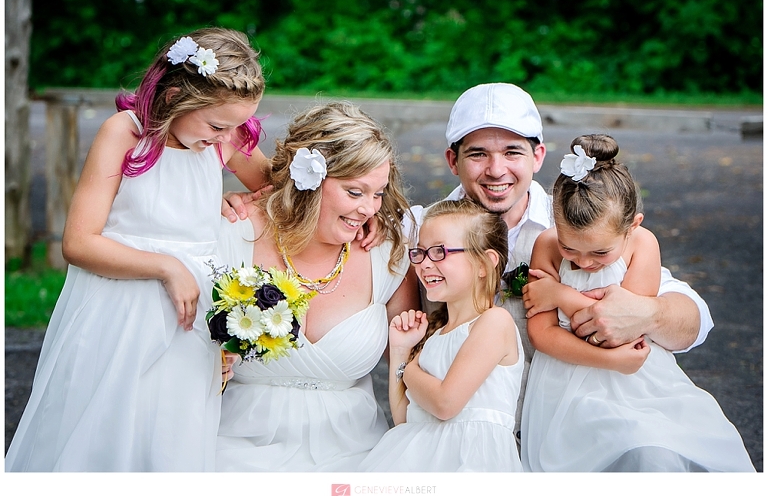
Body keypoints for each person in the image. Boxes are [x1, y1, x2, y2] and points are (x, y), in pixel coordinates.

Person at [222, 82, 714, 447]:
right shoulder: (412, 230)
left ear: (539, 156)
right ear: (451, 159)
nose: (496, 170)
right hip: (455, 431)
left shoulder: (575, 227)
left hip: (562, 418)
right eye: (477, 154)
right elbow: (336, 195)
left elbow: (692, 321)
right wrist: (260, 201)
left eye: (513, 152)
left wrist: (647, 314)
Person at [6, 28, 268, 472]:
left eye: (235, 126)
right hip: (118, 312)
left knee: (169, 436)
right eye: (216, 125)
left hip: (188, 322)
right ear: (173, 99)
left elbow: (279, 189)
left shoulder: (222, 140)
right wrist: (165, 265)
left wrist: (239, 199)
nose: (226, 136)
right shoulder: (124, 134)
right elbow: (79, 241)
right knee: (103, 432)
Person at [520, 134, 754, 472]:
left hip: (637, 375)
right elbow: (541, 334)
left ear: (633, 226)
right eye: (571, 250)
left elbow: (622, 326)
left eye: (600, 252)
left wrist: (560, 296)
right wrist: (609, 360)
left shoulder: (643, 244)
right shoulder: (547, 245)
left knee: (654, 445)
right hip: (565, 378)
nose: (584, 263)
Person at [214, 101, 419, 472]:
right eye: (355, 192)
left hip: (355, 454)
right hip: (234, 446)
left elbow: (410, 368)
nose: (370, 209)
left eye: (378, 193)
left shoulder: (386, 253)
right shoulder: (233, 233)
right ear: (309, 183)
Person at [358, 199, 524, 472]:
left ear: (484, 263)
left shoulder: (494, 322)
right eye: (419, 253)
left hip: (469, 463)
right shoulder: (434, 334)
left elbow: (445, 403)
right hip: (417, 460)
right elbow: (404, 417)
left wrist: (409, 370)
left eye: (439, 252)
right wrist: (400, 349)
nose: (424, 264)